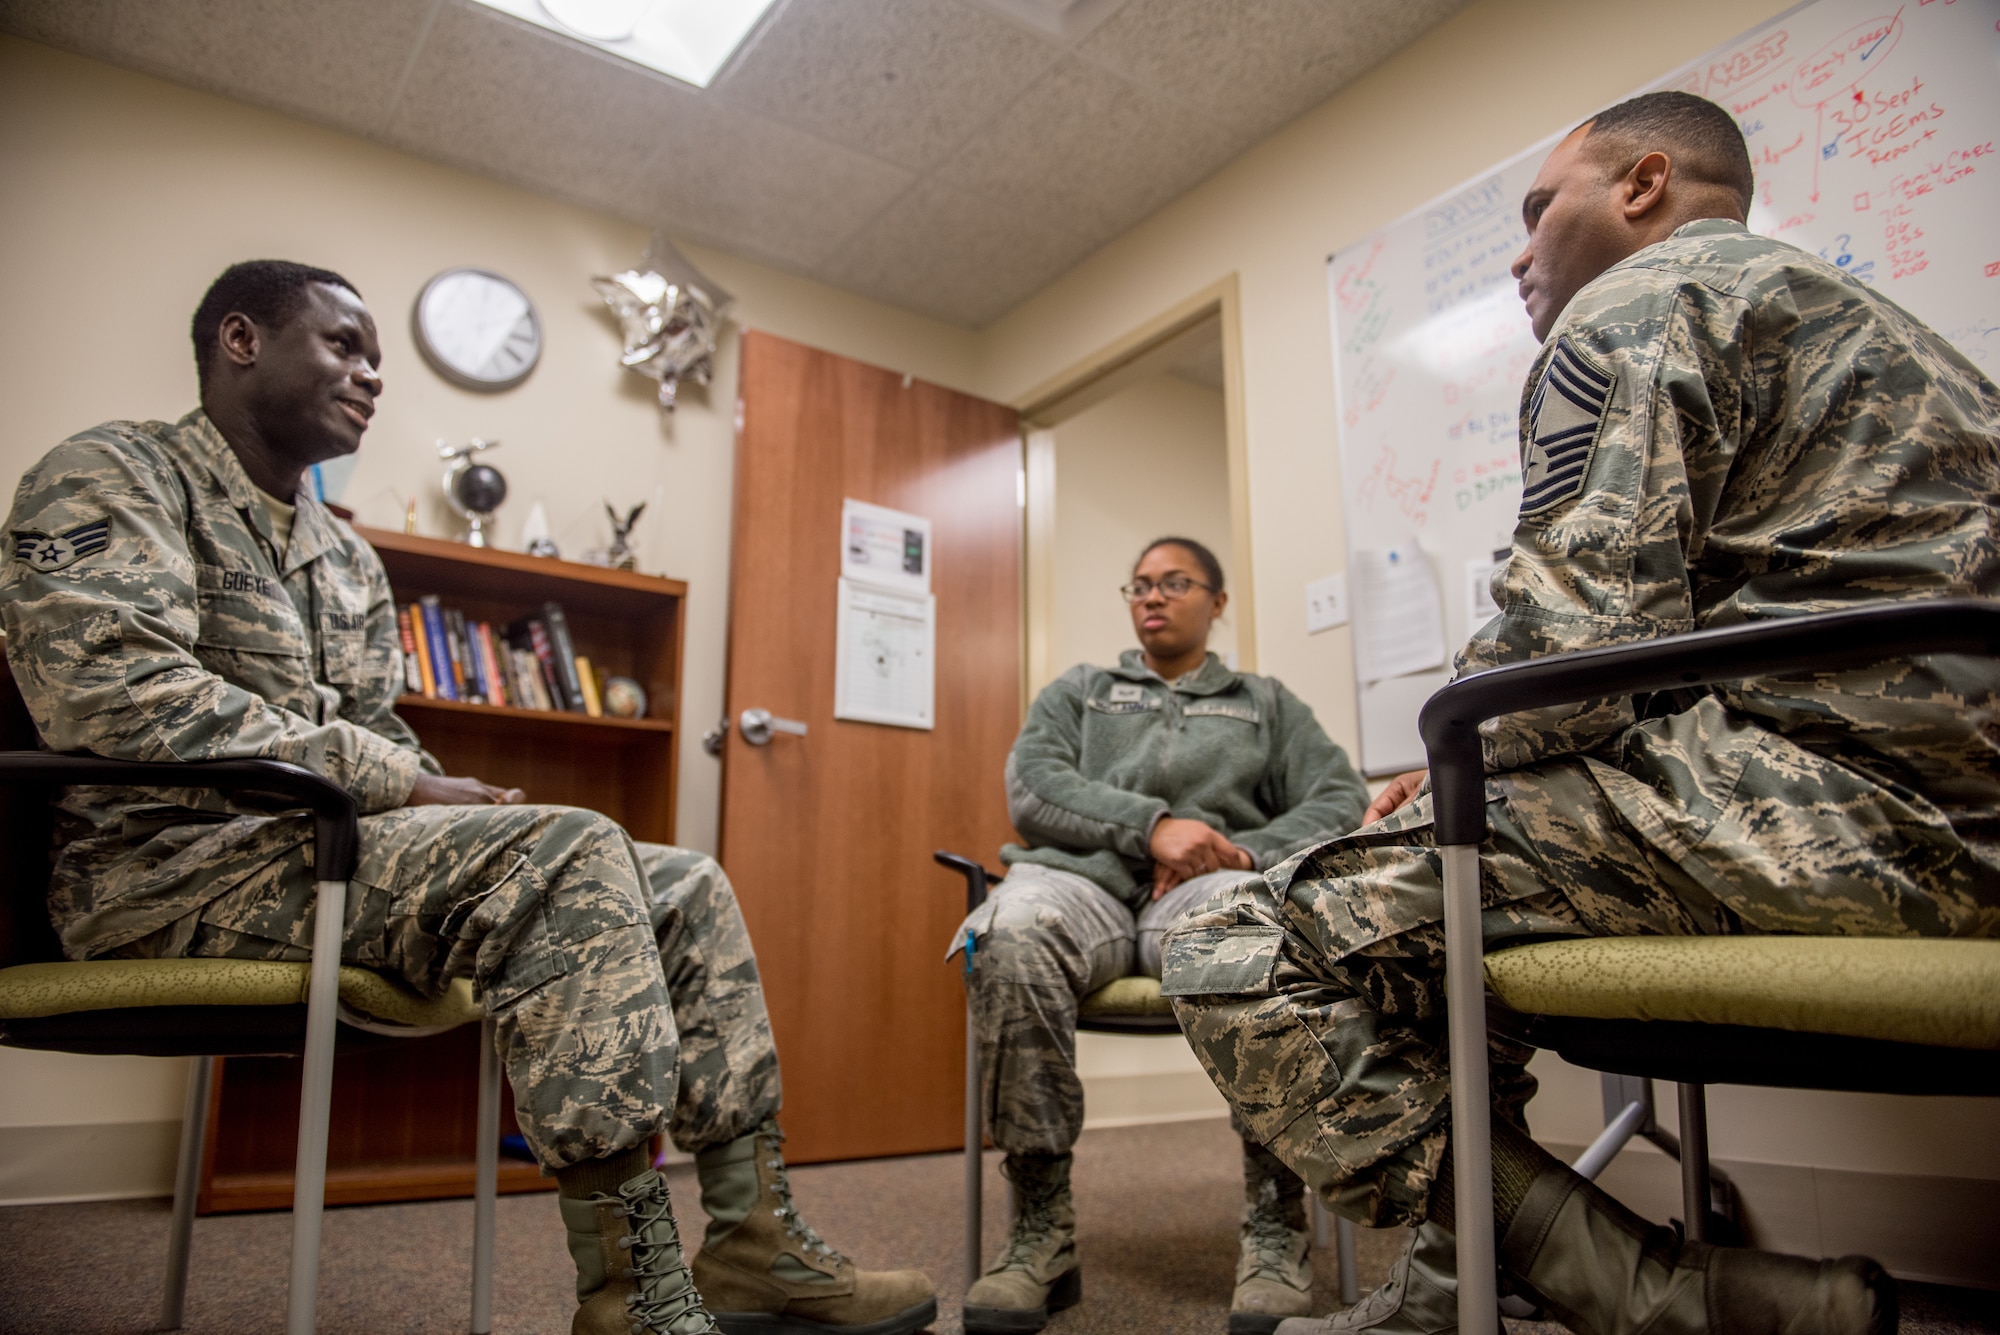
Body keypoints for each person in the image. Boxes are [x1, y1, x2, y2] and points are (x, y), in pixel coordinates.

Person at [1162, 90, 1999, 1335]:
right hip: (1946, 825)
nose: (1516, 250)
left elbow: (1575, 646)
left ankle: (1667, 1299)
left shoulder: (1643, 301)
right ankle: (1454, 1295)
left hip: (1821, 819)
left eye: (1535, 208)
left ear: (1642, 187)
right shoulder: (1893, 335)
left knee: (1223, 936)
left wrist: (1450, 761)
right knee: (1423, 900)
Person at [0, 260, 937, 1335]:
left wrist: (453, 805)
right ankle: (633, 1295)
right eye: (345, 346)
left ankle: (754, 1242)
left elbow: (377, 734)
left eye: (376, 359)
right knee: (572, 851)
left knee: (678, 879)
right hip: (165, 878)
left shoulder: (344, 557)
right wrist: (402, 781)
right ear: (241, 339)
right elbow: (108, 693)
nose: (370, 375)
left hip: (319, 866)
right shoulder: (115, 472)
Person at [948, 536, 1368, 1334]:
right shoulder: (1082, 690)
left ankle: (1276, 1219)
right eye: (1139, 584)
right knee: (1005, 930)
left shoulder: (1264, 701)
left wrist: (1240, 851)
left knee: (1252, 925)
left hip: (1207, 890)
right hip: (1084, 883)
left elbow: (1338, 798)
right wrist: (1154, 828)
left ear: (1216, 601)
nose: (1152, 596)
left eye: (1175, 582)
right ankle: (1042, 1223)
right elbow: (1034, 785)